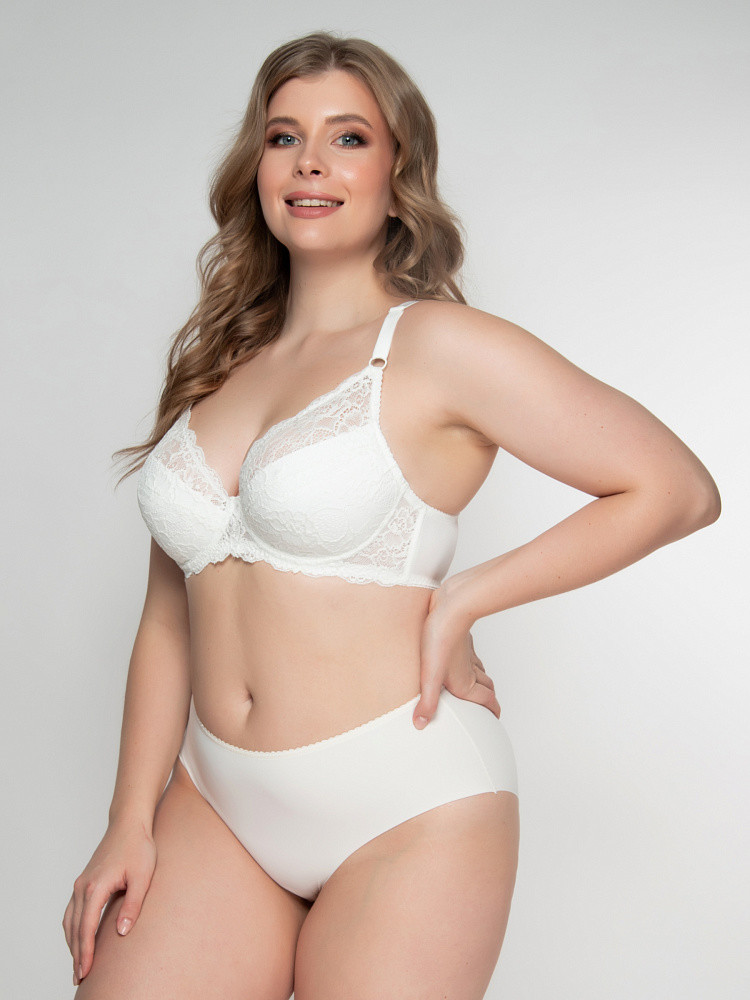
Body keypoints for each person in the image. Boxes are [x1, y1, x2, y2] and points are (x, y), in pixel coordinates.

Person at [62, 30, 720, 1000]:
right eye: (283, 137)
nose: (310, 162)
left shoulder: (439, 346)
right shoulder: (218, 367)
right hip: (216, 802)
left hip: (408, 805)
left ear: (398, 171)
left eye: (348, 137)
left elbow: (675, 488)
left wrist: (464, 597)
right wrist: (129, 818)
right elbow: (168, 615)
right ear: (258, 168)